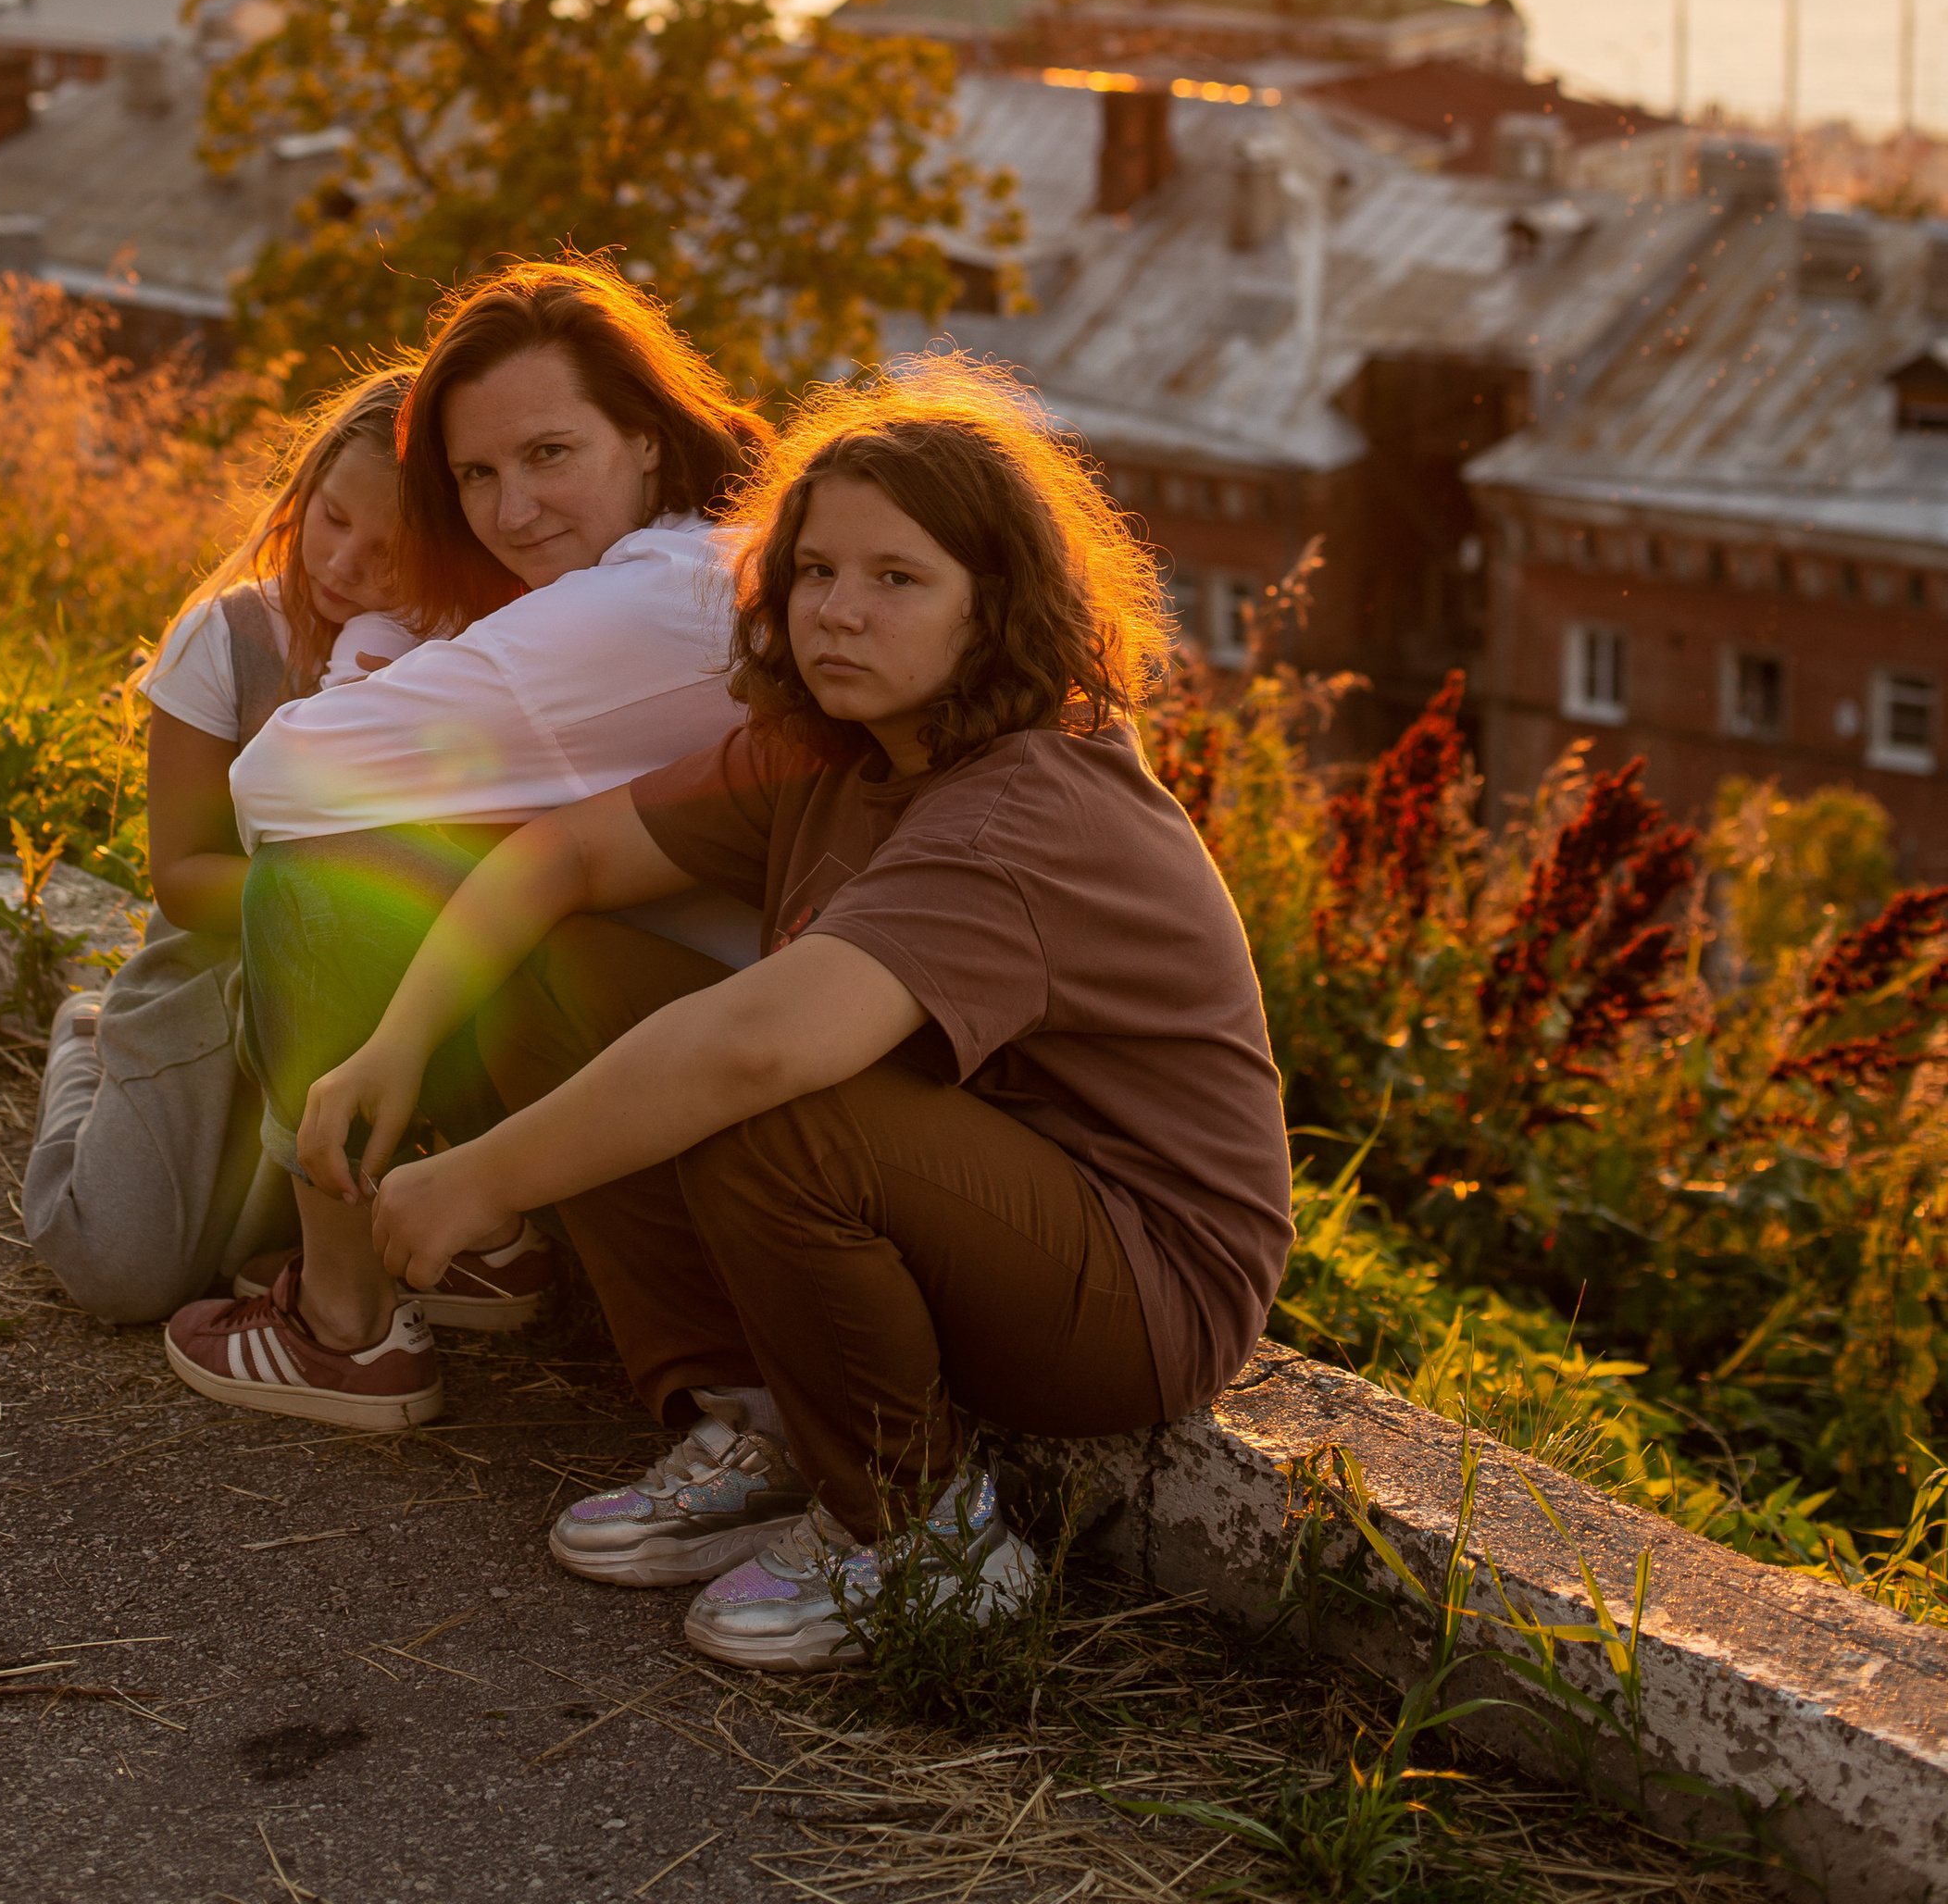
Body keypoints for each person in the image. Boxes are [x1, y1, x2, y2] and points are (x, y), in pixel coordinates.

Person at [287, 359, 1295, 1669]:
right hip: (969, 1201)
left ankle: (924, 1533)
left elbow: (763, 1046)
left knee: (777, 1101)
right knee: (563, 963)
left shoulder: (1024, 807)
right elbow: (558, 861)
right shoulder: (837, 748)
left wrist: (484, 1177)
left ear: (995, 608)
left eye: (897, 580)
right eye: (816, 573)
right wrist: (398, 1044)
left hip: (1138, 1281)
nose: (839, 614)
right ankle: (760, 1420)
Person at [163, 261, 773, 1431]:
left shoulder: (639, 607)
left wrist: (382, 654)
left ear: (646, 437)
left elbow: (282, 781)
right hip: (717, 1006)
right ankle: (481, 1243)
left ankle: (341, 1327)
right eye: (477, 475)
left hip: (748, 1052)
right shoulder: (707, 557)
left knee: (319, 875)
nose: (511, 511)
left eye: (550, 454)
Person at [21, 365, 420, 1321]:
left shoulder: (460, 652)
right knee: (120, 1274)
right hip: (214, 965)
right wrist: (316, 914)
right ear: (304, 489)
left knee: (254, 1251)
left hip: (385, 991)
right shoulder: (228, 637)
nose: (345, 564)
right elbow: (181, 876)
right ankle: (87, 1044)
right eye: (332, 518)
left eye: (390, 548)